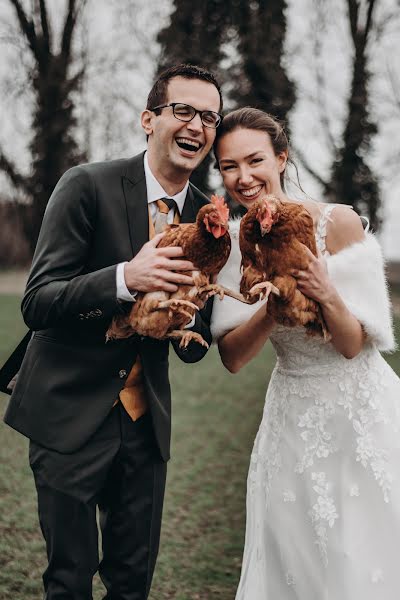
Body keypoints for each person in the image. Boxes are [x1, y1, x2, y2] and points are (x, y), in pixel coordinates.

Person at [0, 64, 223, 600]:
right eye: (183, 111)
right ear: (149, 120)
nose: (197, 125)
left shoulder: (210, 216)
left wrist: (189, 319)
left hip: (146, 427)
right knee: (69, 581)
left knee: (131, 583)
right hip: (68, 416)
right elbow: (38, 302)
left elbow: (199, 342)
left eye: (209, 116)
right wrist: (126, 278)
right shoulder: (86, 185)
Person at [211, 107, 400, 600]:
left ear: (281, 157)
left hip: (360, 412)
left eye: (254, 161)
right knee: (294, 553)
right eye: (229, 166)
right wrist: (269, 313)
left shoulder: (335, 224)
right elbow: (232, 357)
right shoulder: (232, 245)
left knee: (362, 549)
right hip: (291, 415)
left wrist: (325, 292)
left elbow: (352, 343)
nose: (243, 177)